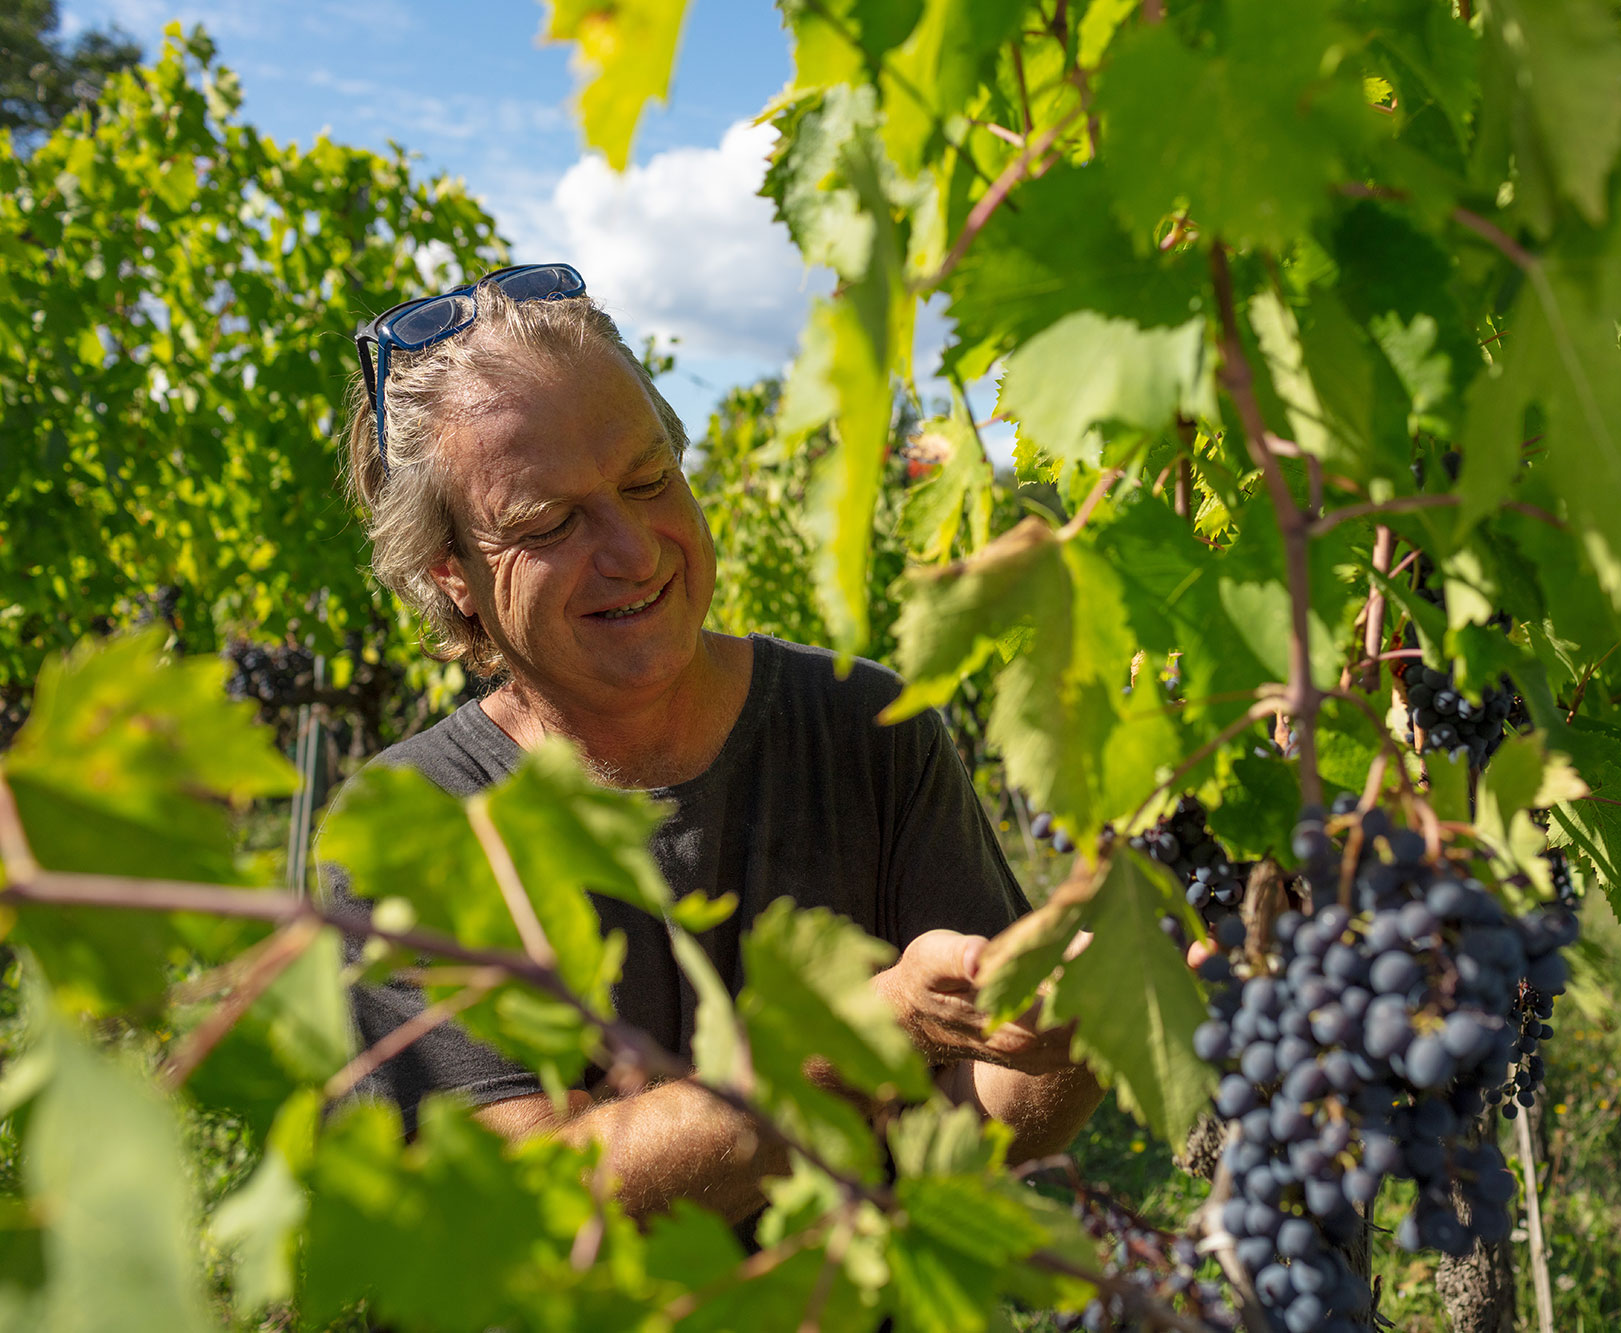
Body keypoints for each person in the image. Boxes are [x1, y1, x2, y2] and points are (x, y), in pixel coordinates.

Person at [324, 263, 1102, 1227]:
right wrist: (870, 1030)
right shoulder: (412, 830)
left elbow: (977, 1134)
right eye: (551, 521)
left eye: (650, 480)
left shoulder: (869, 729)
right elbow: (521, 1211)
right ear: (451, 571)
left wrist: (1066, 1038)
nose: (636, 549)